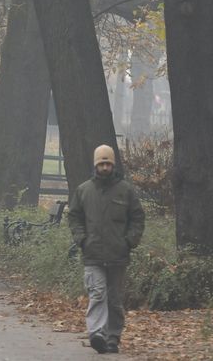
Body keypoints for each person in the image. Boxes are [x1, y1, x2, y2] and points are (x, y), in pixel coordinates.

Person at [68, 144, 145, 354]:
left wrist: (129, 241)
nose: (104, 167)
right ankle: (97, 334)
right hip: (92, 254)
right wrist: (81, 239)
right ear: (95, 165)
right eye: (101, 163)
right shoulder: (84, 190)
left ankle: (113, 337)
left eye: (107, 163)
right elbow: (74, 216)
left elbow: (137, 218)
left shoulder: (126, 190)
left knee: (114, 299)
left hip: (118, 255)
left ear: (113, 165)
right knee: (97, 294)